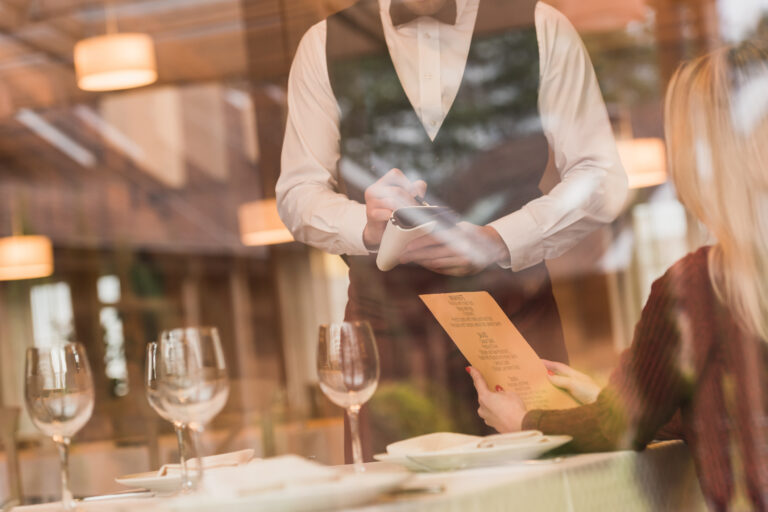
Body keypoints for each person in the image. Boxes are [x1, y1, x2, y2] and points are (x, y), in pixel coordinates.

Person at [278, 0, 627, 455]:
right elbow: (297, 193)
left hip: (515, 322)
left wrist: (499, 240)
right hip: (387, 337)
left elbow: (601, 178)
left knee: (537, 490)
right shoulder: (323, 45)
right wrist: (367, 229)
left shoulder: (541, 26)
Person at [468, 41, 768, 510]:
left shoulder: (699, 285)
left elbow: (617, 429)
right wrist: (609, 396)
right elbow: (724, 412)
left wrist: (524, 420)